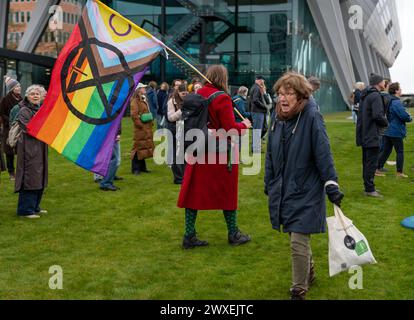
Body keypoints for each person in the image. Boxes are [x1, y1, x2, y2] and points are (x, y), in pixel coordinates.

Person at [265, 72, 344, 300]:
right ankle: (308, 271)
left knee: (298, 239)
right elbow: (270, 154)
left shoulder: (312, 116)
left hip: (306, 188)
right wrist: (269, 181)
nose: (283, 98)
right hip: (283, 187)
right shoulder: (277, 117)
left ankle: (298, 289)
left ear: (300, 96)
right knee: (294, 234)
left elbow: (323, 152)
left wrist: (331, 183)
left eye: (288, 93)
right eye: (280, 93)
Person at [177, 65, 252, 249]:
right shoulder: (222, 98)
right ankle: (233, 233)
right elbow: (230, 129)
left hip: (198, 149)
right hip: (220, 153)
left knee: (193, 194)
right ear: (223, 78)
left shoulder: (198, 93)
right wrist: (244, 125)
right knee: (227, 192)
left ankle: (189, 235)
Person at [15, 85, 48, 219]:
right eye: (32, 94)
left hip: (40, 147)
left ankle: (35, 206)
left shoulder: (40, 109)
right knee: (30, 177)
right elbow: (29, 128)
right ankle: (25, 210)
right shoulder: (24, 110)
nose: (35, 96)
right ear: (27, 96)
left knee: (40, 176)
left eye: (37, 94)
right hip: (29, 148)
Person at [356, 73, 388, 198]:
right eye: (383, 81)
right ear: (378, 83)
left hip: (365, 133)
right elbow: (377, 116)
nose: (384, 83)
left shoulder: (366, 95)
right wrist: (386, 122)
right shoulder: (375, 95)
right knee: (371, 163)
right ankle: (369, 189)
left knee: (367, 162)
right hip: (371, 134)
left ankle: (369, 186)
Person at [377, 82, 412, 178]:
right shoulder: (396, 102)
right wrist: (410, 117)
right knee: (400, 151)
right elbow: (404, 116)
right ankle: (399, 173)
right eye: (400, 88)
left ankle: (377, 168)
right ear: (396, 91)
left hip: (388, 129)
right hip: (395, 131)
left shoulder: (390, 100)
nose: (401, 90)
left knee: (385, 150)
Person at [0, 76, 23, 181]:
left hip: (19, 127)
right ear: (12, 88)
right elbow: (1, 113)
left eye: (19, 86)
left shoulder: (22, 99)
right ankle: (11, 172)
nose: (19, 88)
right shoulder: (5, 99)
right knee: (9, 151)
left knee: (20, 150)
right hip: (8, 128)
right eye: (17, 86)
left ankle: (20, 171)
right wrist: (10, 121)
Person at [130, 83, 154, 175]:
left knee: (144, 146)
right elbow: (134, 115)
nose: (145, 89)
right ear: (139, 89)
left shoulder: (143, 98)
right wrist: (140, 125)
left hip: (146, 127)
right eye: (143, 87)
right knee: (137, 147)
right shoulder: (135, 101)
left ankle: (142, 167)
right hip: (140, 128)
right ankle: (135, 168)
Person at [167, 83, 188, 185]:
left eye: (186, 93)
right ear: (178, 92)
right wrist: (181, 111)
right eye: (183, 93)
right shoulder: (171, 101)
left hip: (186, 128)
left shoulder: (188, 99)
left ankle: (184, 175)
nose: (185, 95)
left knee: (184, 153)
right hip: (175, 128)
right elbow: (170, 117)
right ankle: (178, 177)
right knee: (177, 153)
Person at [250, 75, 267, 153]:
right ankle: (255, 149)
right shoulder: (256, 88)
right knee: (257, 130)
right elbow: (255, 100)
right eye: (262, 80)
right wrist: (265, 107)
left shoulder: (256, 87)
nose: (263, 82)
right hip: (258, 112)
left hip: (258, 112)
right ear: (259, 80)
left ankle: (256, 147)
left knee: (262, 129)